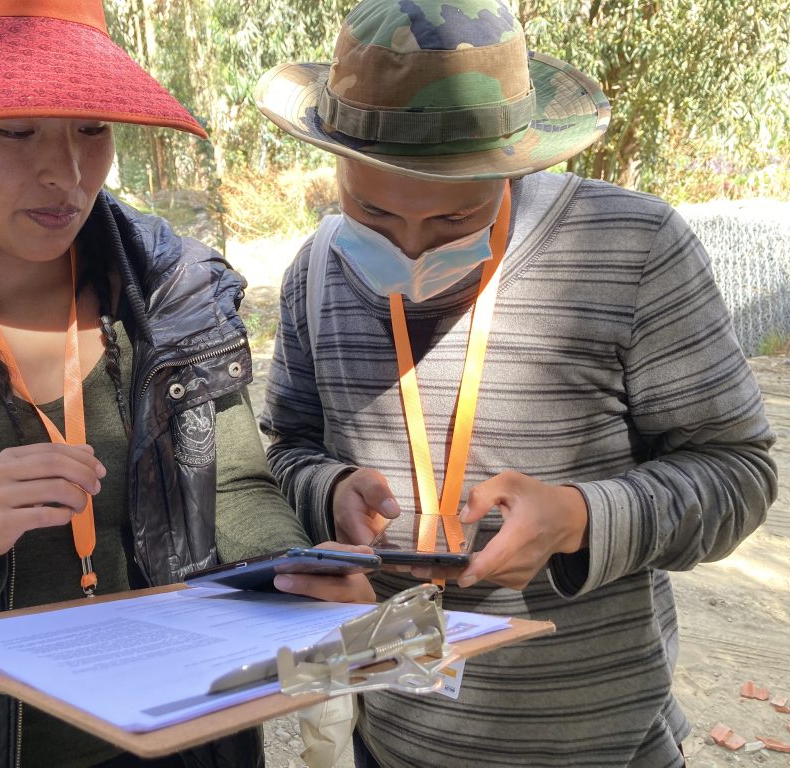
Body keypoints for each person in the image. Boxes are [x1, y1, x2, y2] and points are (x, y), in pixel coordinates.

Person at [0, 2, 375, 767]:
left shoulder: (170, 283)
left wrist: (290, 569)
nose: (67, 173)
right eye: (15, 132)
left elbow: (233, 490)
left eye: (92, 128)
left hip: (191, 733)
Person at [254, 1, 778, 766]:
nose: (408, 248)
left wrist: (578, 518)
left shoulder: (634, 250)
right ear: (331, 159)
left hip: (597, 745)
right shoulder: (314, 274)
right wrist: (325, 490)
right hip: (390, 740)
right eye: (369, 208)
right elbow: (286, 449)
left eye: (454, 220)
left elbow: (740, 472)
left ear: (517, 166)